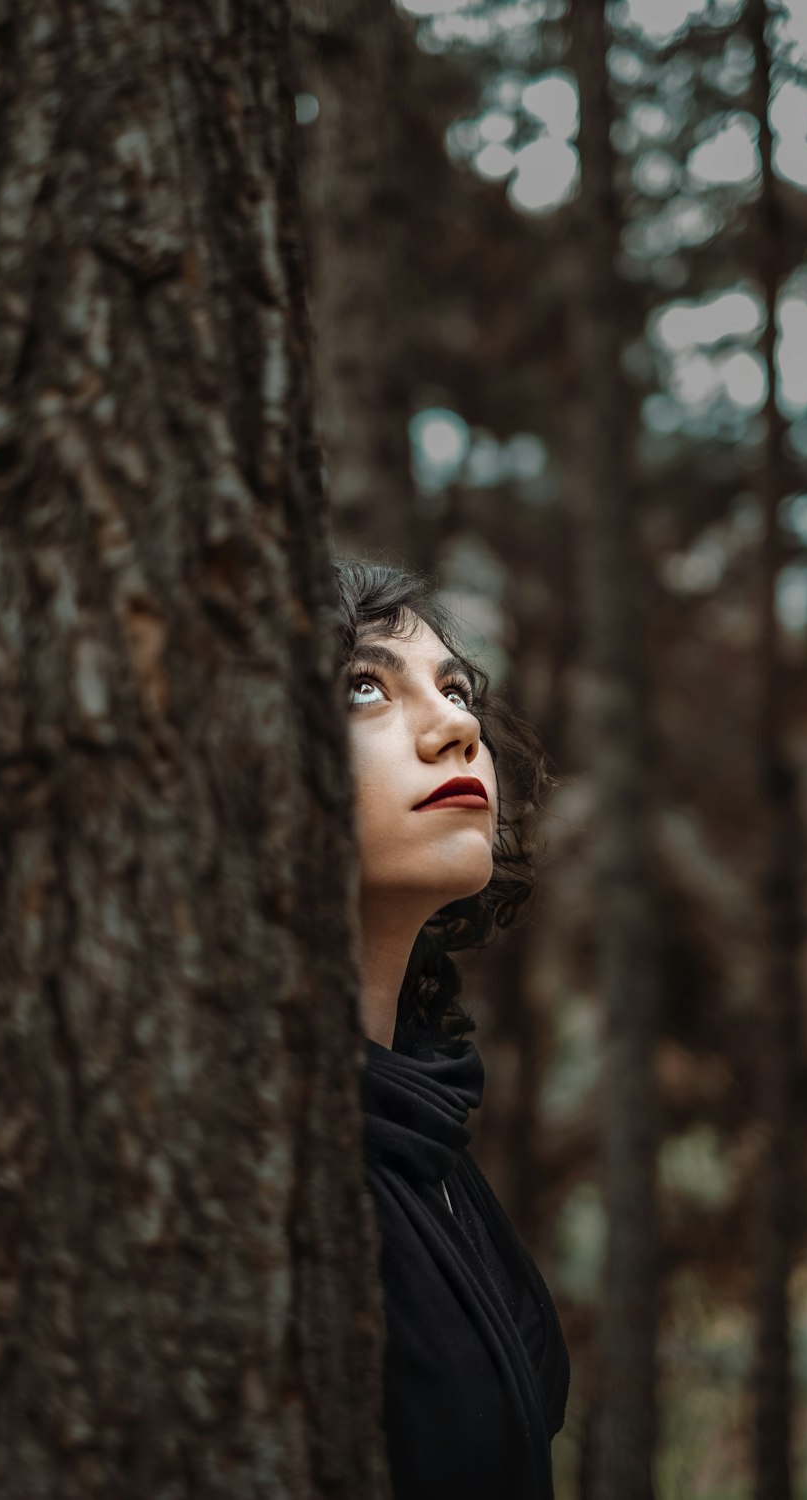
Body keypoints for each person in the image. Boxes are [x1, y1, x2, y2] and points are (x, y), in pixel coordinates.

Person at [334, 558, 570, 1500]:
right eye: (363, 687)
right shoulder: (241, 1148)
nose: (459, 726)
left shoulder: (426, 1130)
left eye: (455, 688)